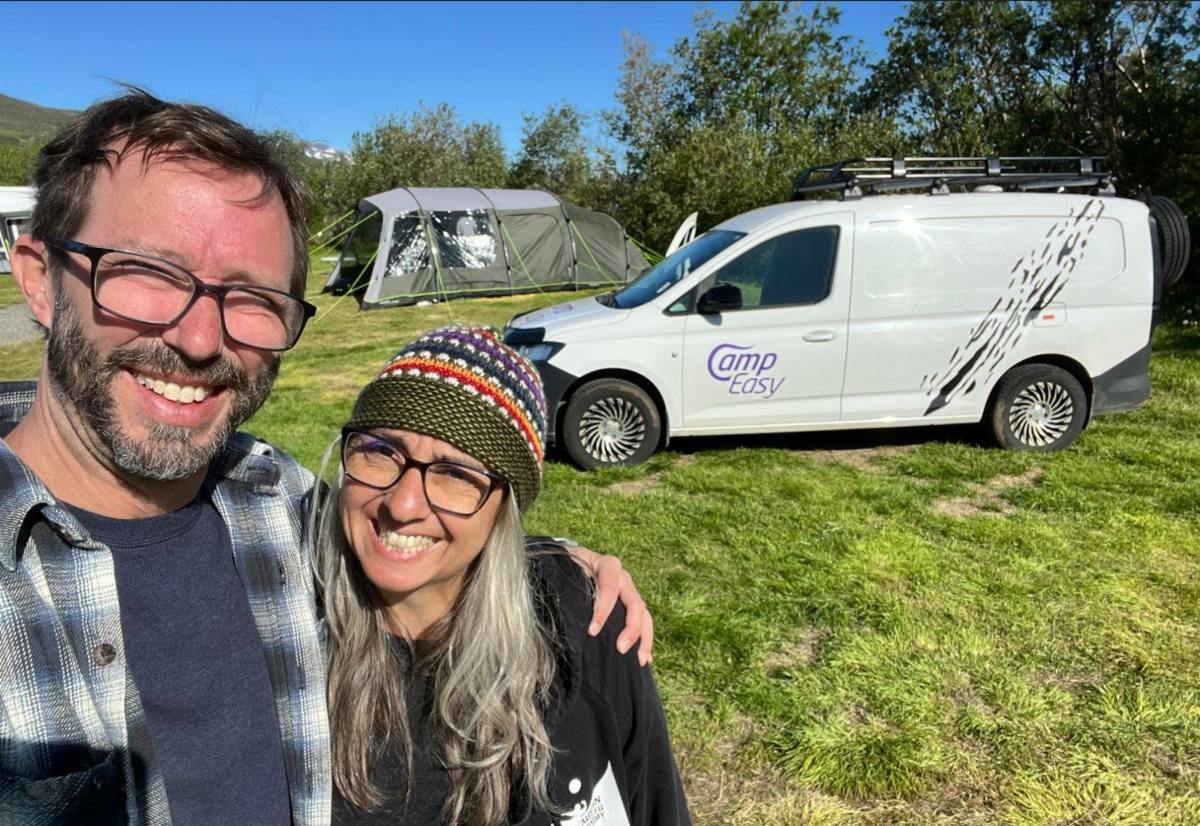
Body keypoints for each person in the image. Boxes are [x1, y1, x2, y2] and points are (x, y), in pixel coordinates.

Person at [0, 89, 653, 825]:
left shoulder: (279, 507)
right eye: (150, 273)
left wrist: (560, 565)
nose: (199, 340)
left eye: (249, 295)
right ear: (41, 279)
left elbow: (412, 529)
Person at [319, 326, 690, 826]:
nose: (403, 505)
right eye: (381, 451)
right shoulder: (289, 634)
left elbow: (655, 806)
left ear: (504, 512)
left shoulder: (589, 628)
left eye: (455, 474)